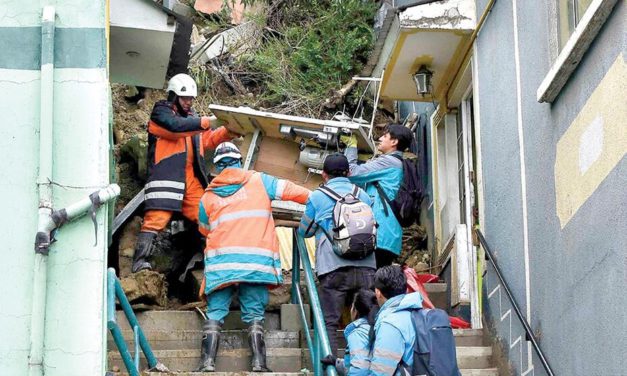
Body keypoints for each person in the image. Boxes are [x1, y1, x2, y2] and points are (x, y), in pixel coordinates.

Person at [196, 142, 311, 372]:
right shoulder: (260, 181)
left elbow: (204, 229)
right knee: (254, 312)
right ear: (239, 161)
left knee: (216, 311)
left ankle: (206, 363)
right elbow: (293, 192)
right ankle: (259, 363)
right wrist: (318, 199)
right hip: (255, 263)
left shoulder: (207, 198)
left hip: (222, 265)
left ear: (217, 167)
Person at [132, 73, 240, 273]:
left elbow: (206, 140)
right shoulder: (161, 113)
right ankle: (140, 264)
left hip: (191, 179)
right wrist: (209, 122)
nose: (189, 102)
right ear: (173, 96)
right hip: (167, 179)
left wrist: (229, 131)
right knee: (156, 220)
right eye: (185, 98)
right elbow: (175, 127)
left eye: (191, 98)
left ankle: (215, 261)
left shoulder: (192, 120)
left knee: (207, 217)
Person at [298, 153, 376, 355]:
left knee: (329, 322)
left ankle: (330, 366)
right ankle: (366, 362)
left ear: (323, 174)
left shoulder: (317, 196)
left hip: (333, 268)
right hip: (366, 265)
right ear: (349, 172)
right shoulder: (363, 194)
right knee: (368, 318)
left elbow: (303, 231)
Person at [341, 124, 414, 267]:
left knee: (371, 283)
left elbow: (351, 173)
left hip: (380, 235)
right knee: (378, 283)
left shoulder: (389, 162)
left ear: (394, 142)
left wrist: (351, 146)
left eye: (385, 136)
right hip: (388, 236)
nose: (380, 138)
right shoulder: (397, 163)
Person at [369, 265, 423, 375]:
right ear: (406, 289)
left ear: (378, 293)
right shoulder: (418, 313)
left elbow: (381, 372)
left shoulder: (390, 323)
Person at [321, 289, 379, 375]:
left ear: (355, 311)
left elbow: (360, 370)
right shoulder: (380, 328)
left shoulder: (358, 333)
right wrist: (337, 363)